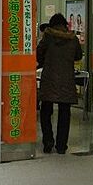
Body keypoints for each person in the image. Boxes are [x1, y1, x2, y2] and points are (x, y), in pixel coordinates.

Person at [36, 13, 83, 155]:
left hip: (49, 79)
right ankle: (61, 145)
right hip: (66, 80)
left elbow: (39, 54)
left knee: (45, 112)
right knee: (64, 113)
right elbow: (78, 56)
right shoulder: (73, 38)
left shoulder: (48, 37)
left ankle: (48, 142)